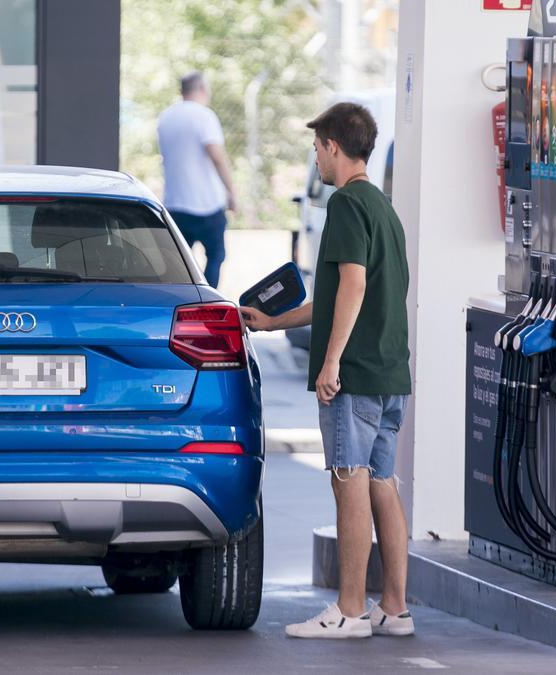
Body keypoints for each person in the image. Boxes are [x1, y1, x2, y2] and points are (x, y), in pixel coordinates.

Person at [240, 102, 413, 639]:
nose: (315, 157)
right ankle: (394, 608)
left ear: (335, 146)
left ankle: (350, 611)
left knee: (348, 483)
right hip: (389, 375)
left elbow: (354, 285)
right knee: (381, 483)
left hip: (354, 375)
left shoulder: (344, 205)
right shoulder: (383, 208)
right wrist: (272, 323)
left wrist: (331, 361)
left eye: (317, 147)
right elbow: (334, 296)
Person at [157, 71, 236, 288]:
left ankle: (184, 302)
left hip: (174, 204)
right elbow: (216, 155)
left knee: (179, 264)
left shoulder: (166, 118)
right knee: (216, 256)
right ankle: (208, 301)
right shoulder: (204, 115)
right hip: (206, 205)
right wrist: (231, 191)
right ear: (202, 89)